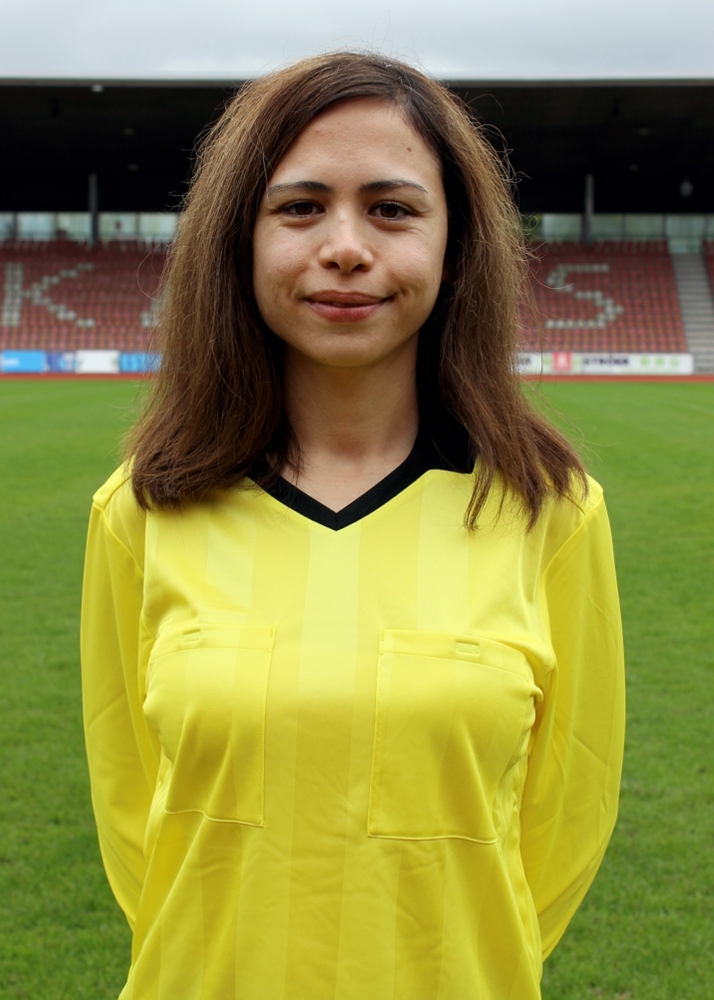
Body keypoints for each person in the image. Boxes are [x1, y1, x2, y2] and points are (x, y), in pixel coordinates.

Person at [81, 52, 625, 1000]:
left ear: (455, 243)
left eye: (392, 209)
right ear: (240, 239)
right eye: (300, 207)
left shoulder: (552, 512)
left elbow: (566, 818)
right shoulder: (142, 508)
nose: (344, 247)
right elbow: (133, 814)